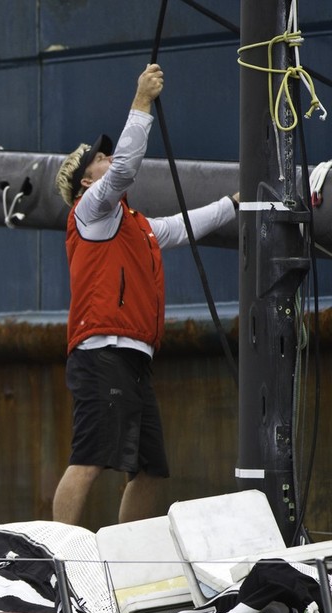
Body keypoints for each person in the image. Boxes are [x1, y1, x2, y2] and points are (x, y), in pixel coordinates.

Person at [51, 64, 239, 527]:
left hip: (132, 358)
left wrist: (233, 205)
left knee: (151, 468)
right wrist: (141, 102)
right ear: (85, 183)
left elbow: (182, 225)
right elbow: (124, 172)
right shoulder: (90, 211)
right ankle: (57, 557)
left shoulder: (135, 227)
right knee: (90, 456)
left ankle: (122, 561)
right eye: (98, 158)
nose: (107, 160)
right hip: (103, 354)